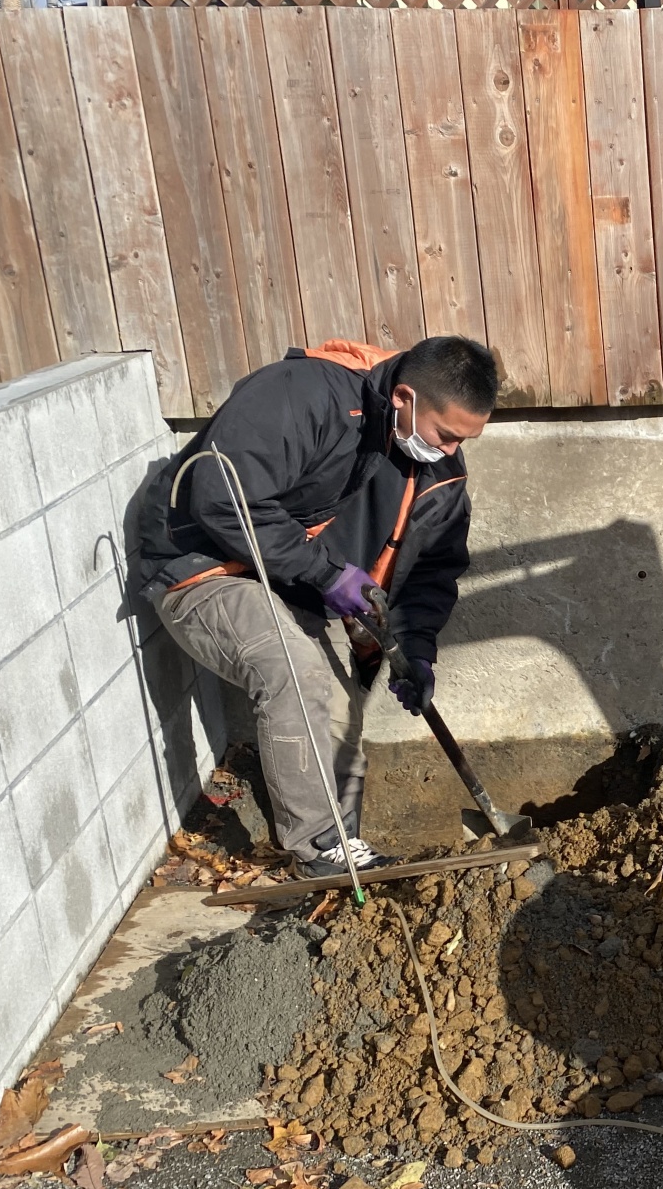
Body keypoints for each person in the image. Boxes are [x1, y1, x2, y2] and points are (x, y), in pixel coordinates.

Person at [138, 336, 497, 879]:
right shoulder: (303, 396)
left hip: (289, 582)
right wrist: (327, 573)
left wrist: (416, 651)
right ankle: (315, 847)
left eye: (464, 440)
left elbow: (430, 573)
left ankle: (342, 852)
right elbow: (220, 496)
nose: (450, 452)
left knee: (339, 717)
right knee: (295, 672)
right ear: (403, 397)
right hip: (202, 566)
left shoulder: (438, 471)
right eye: (446, 435)